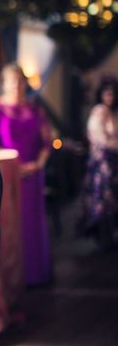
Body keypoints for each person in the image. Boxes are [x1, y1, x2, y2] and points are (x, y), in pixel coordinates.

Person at [0, 63, 52, 286]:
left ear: (25, 84)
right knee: (12, 223)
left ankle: (36, 273)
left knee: (33, 222)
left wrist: (37, 165)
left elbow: (47, 143)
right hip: (9, 176)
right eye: (11, 81)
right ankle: (15, 279)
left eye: (20, 81)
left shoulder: (35, 110)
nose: (16, 85)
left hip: (33, 174)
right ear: (4, 84)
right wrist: (15, 167)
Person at [81, 78, 118, 250]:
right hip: (102, 164)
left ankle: (110, 236)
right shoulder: (98, 112)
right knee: (102, 199)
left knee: (111, 200)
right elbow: (102, 140)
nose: (110, 97)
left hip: (113, 163)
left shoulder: (113, 112)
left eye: (113, 94)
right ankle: (104, 239)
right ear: (101, 95)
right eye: (107, 93)